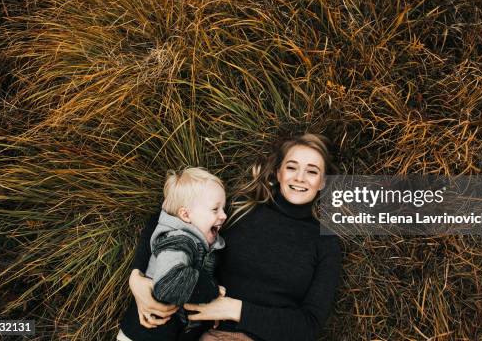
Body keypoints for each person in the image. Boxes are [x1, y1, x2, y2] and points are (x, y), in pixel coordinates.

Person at [126, 134, 342, 341]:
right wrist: (137, 278)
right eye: (291, 167)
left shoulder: (326, 242)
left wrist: (234, 309)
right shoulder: (240, 212)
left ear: (323, 182)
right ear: (278, 173)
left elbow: (308, 327)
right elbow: (167, 219)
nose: (299, 177)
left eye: (312, 172)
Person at [118, 168, 228, 341]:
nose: (224, 215)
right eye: (215, 209)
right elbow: (170, 281)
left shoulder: (202, 241)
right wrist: (212, 291)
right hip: (143, 335)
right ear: (185, 214)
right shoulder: (179, 239)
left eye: (223, 208)